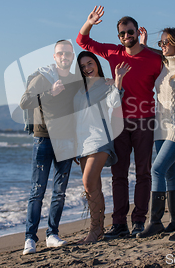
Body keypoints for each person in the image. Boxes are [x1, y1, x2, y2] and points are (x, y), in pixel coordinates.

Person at [76, 6, 163, 238]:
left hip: (144, 120)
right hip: (118, 124)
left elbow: (172, 68)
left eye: (130, 32)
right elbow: (82, 41)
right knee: (119, 175)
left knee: (143, 173)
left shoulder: (154, 58)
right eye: (123, 33)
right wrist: (90, 22)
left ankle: (138, 221)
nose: (127, 36)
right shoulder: (114, 53)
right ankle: (119, 223)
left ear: (137, 31)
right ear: (118, 37)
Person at [19, 40, 80, 254]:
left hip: (66, 141)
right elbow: (24, 102)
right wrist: (49, 93)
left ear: (72, 57)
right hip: (44, 138)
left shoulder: (75, 80)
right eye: (60, 53)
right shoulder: (42, 77)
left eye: (68, 54)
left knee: (60, 192)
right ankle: (30, 238)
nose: (64, 57)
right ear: (55, 57)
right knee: (38, 191)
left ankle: (52, 234)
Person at [135, 27, 175, 238]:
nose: (163, 46)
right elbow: (148, 54)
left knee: (156, 169)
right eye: (161, 43)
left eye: (166, 42)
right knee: (169, 173)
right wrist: (145, 43)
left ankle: (155, 221)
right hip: (160, 127)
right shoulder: (162, 64)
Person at [73, 51, 131, 243]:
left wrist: (118, 80)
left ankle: (94, 229)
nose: (88, 68)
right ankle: (97, 230)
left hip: (100, 139)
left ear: (96, 63)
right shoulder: (80, 91)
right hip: (83, 142)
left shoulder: (107, 84)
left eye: (90, 63)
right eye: (83, 67)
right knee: (93, 186)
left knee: (88, 182)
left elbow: (115, 102)